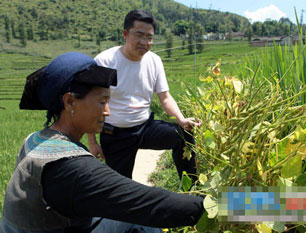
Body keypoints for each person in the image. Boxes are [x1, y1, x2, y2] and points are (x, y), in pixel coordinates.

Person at [0, 52, 204, 233]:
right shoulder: (71, 168)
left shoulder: (36, 139)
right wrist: (233, 206)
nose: (107, 111)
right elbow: (153, 204)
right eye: (101, 101)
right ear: (70, 101)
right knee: (145, 221)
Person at [87, 10, 200, 181]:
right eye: (139, 35)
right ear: (125, 34)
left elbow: (165, 97)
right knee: (121, 188)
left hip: (145, 126)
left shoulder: (154, 60)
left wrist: (181, 119)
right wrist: (93, 143)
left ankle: (192, 190)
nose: (144, 42)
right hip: (115, 133)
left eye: (149, 37)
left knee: (183, 135)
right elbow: (92, 105)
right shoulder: (105, 62)